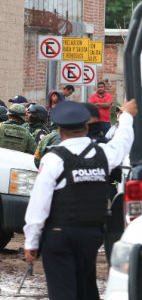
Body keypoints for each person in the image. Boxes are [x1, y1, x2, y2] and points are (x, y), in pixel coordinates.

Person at [23, 99, 137, 300]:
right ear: (86, 126)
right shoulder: (103, 154)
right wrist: (126, 116)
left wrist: (31, 242)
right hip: (91, 236)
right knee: (86, 289)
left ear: (59, 131)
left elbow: (39, 204)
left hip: (59, 236)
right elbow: (123, 142)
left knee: (63, 292)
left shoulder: (54, 158)